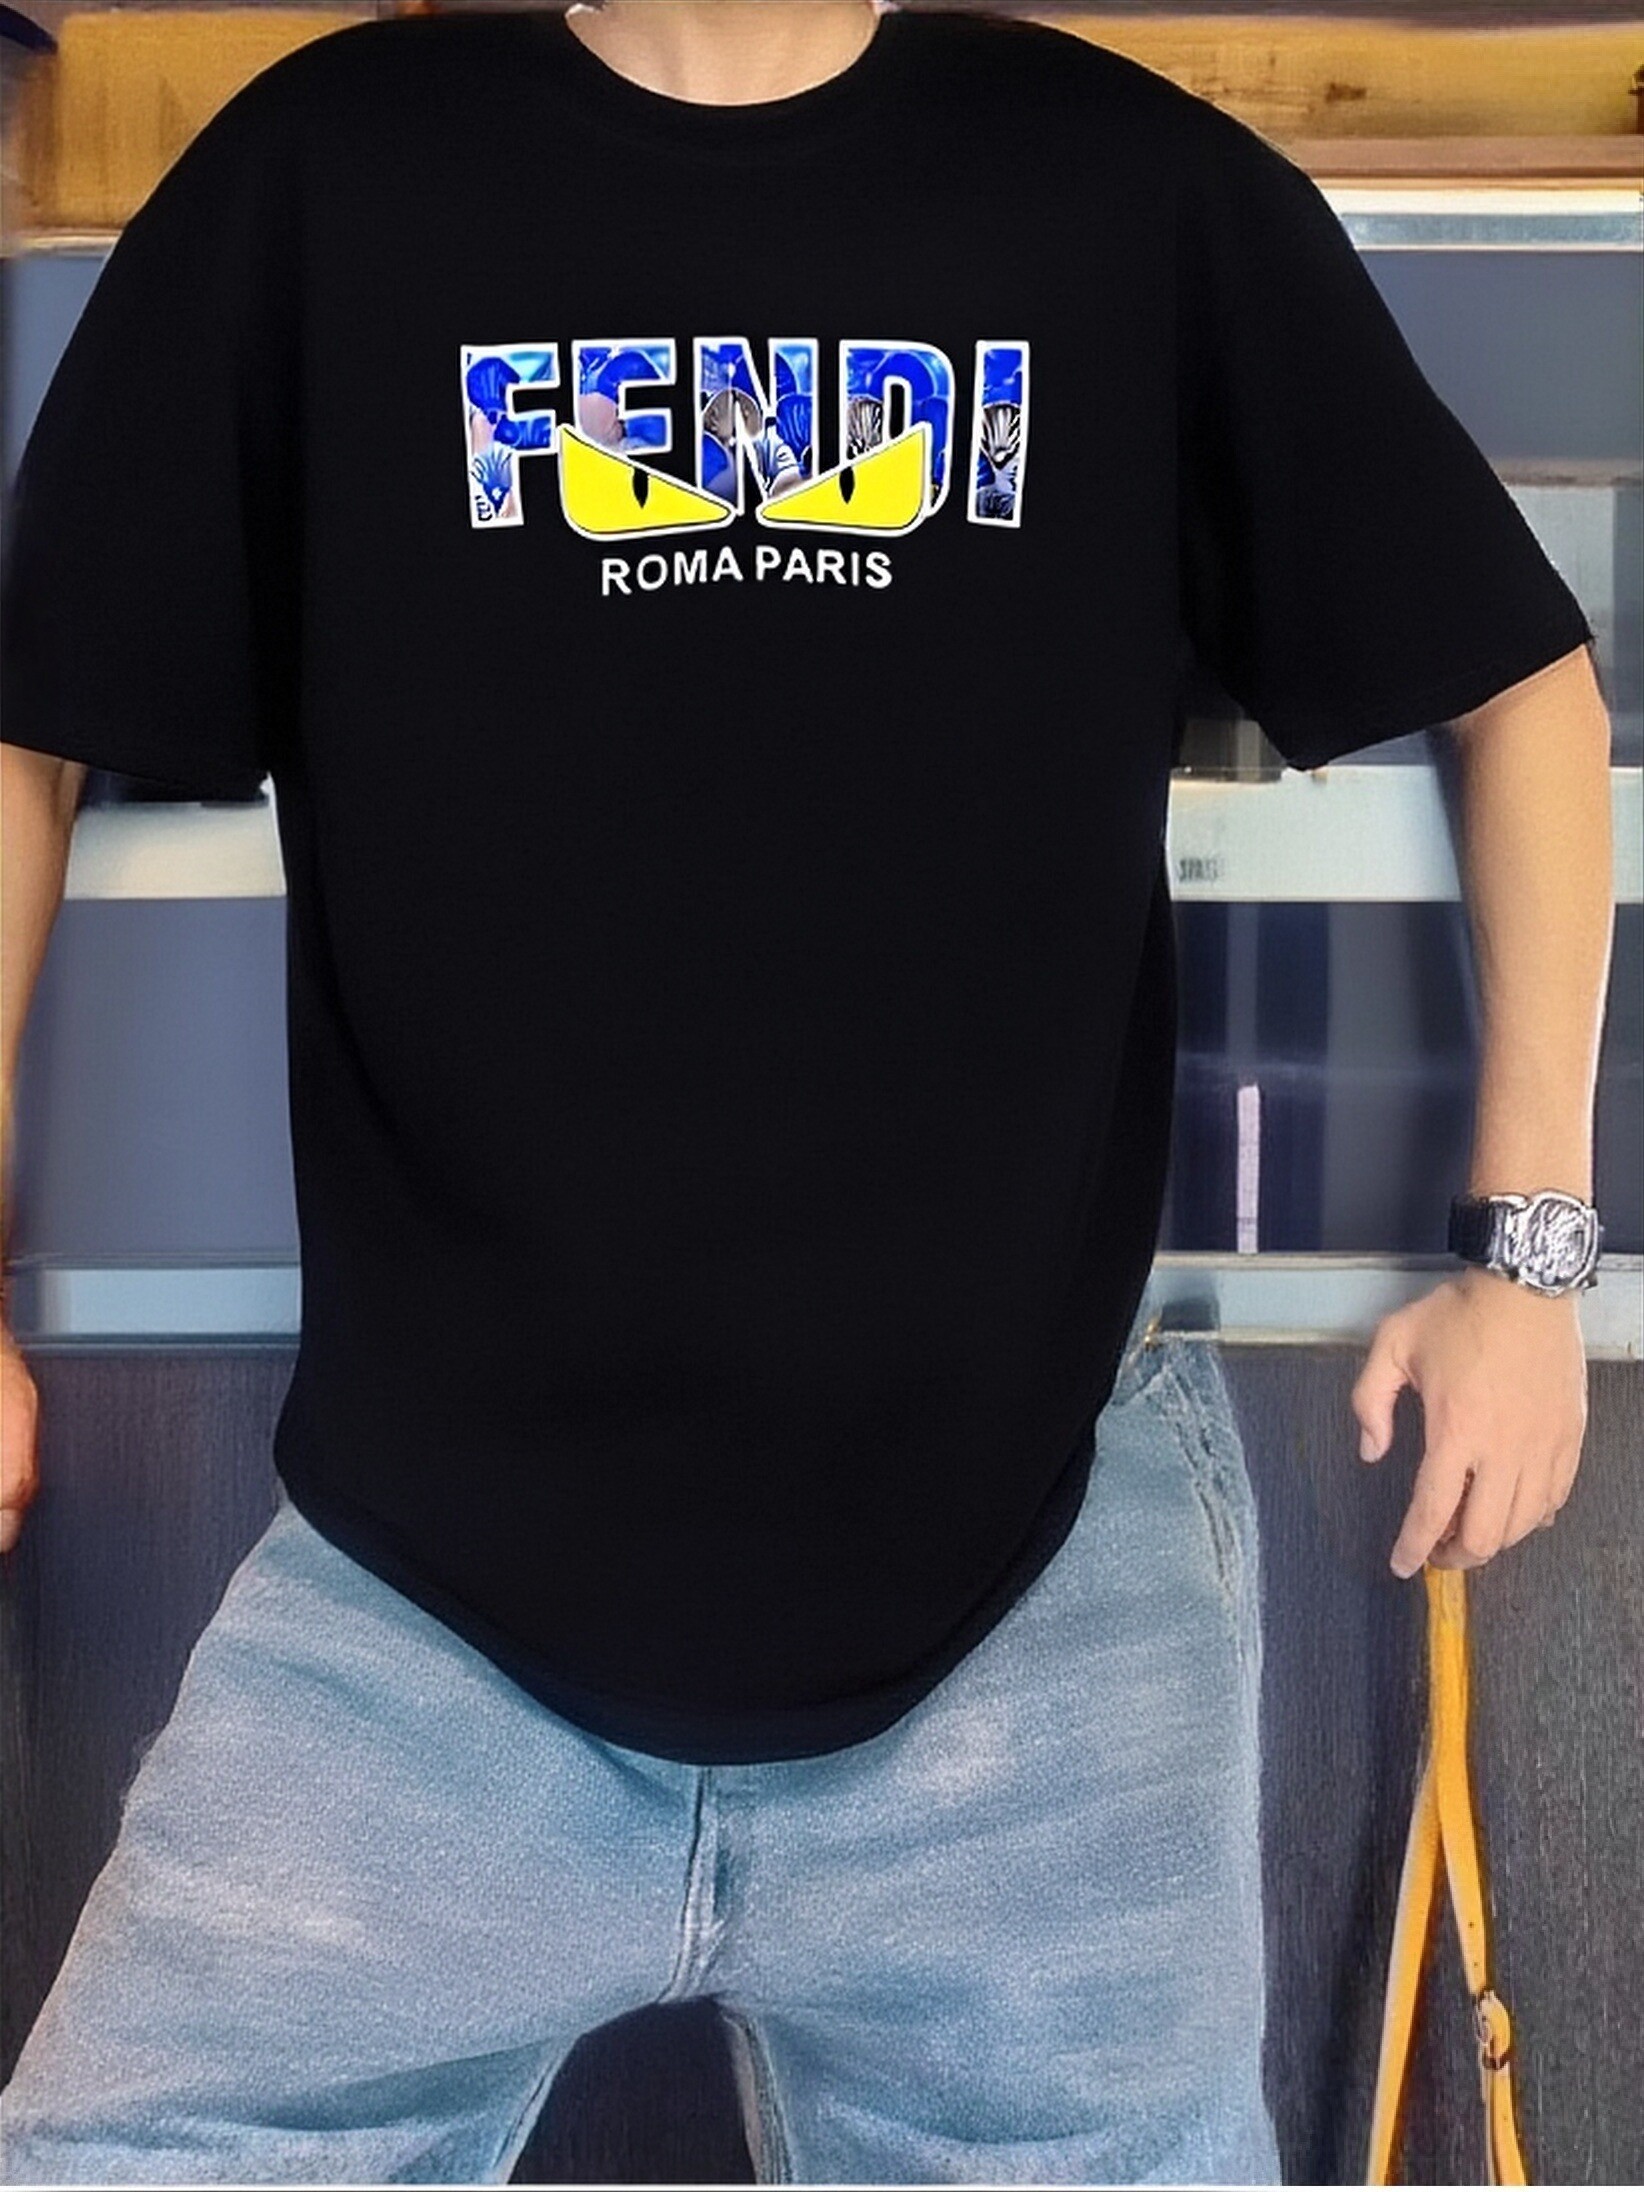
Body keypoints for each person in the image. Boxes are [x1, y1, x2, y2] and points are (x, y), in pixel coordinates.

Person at [0, 1, 1612, 2182]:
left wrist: (1532, 1257)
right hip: (428, 1610)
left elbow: (1519, 685)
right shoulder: (324, 179)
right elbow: (29, 731)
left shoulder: (1129, 188)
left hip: (1036, 1602)